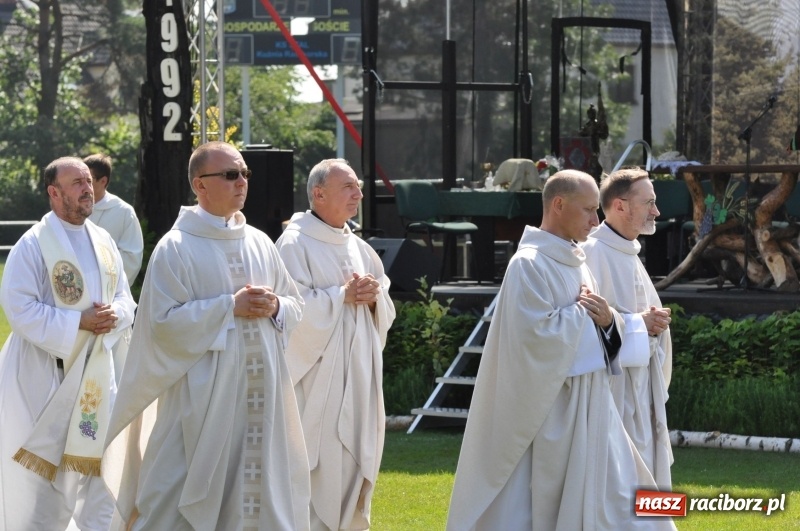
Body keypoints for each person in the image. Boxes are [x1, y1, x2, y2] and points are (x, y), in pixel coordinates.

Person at [447, 170, 674, 530]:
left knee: (625, 504)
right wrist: (605, 323)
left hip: (592, 405)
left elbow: (599, 322)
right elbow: (536, 339)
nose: (596, 220)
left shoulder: (577, 262)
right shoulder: (528, 265)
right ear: (558, 205)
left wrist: (615, 322)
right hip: (551, 412)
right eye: (587, 210)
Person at [103, 141, 310, 530]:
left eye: (245, 173)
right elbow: (161, 325)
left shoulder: (260, 242)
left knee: (260, 492)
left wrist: (276, 307)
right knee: (173, 495)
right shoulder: (175, 248)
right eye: (231, 175)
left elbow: (295, 304)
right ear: (200, 185)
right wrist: (228, 307)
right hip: (200, 400)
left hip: (259, 398)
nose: (242, 182)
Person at [0, 156, 136, 530]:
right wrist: (78, 322)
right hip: (45, 378)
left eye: (89, 181)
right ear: (53, 192)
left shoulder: (104, 241)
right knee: (40, 483)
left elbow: (125, 298)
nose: (87, 188)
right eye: (77, 183)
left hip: (96, 375)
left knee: (100, 472)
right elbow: (19, 308)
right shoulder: (32, 246)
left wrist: (115, 316)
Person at [275, 159, 395, 531]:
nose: (358, 194)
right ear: (319, 193)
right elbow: (288, 312)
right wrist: (340, 296)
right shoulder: (294, 243)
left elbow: (383, 296)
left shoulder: (359, 247)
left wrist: (376, 296)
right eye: (348, 187)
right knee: (318, 464)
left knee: (356, 460)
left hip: (358, 375)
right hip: (317, 380)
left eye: (358, 186)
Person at [581, 167, 673, 488]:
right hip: (612, 397)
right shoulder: (592, 252)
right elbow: (583, 326)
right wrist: (639, 324)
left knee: (647, 485)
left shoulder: (628, 252)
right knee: (620, 490)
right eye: (648, 202)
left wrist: (654, 325)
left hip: (641, 393)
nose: (656, 211)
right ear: (620, 206)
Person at [84, 154, 144, 285]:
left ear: (103, 181)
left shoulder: (123, 212)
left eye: (88, 180)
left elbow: (132, 258)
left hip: (108, 292)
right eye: (79, 180)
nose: (83, 186)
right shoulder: (73, 208)